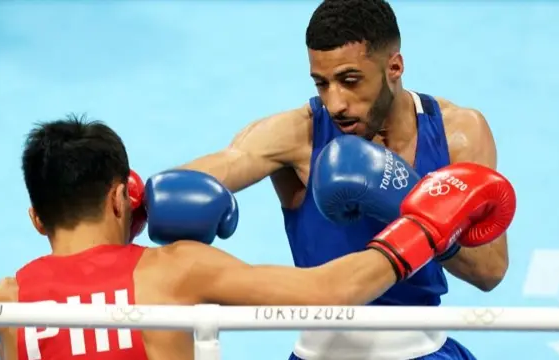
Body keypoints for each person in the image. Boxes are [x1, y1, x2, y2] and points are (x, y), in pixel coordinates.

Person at [0, 116, 514, 360]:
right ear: (117, 197)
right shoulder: (173, 269)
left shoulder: (8, 303)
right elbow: (327, 294)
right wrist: (422, 227)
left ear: (37, 217)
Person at [176, 0, 510, 358]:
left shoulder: (456, 132)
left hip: (424, 351)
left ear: (394, 66)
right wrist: (138, 199)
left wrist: (410, 201)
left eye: (350, 81)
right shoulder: (298, 134)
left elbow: (489, 270)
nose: (335, 103)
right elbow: (192, 182)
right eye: (322, 83)